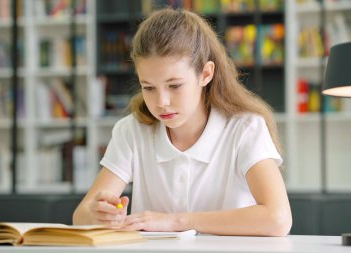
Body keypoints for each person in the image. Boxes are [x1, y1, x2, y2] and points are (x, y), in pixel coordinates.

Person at [73, 8, 292, 236]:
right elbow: (81, 215)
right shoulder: (132, 131)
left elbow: (278, 219)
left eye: (175, 85)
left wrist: (175, 221)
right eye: (148, 87)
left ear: (205, 74)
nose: (161, 102)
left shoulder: (245, 128)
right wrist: (100, 214)